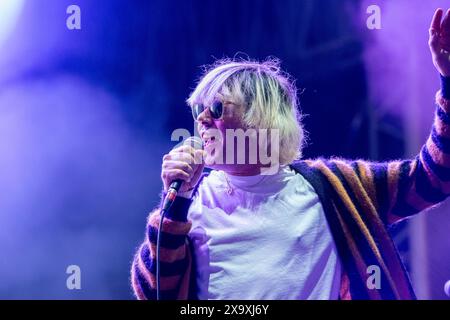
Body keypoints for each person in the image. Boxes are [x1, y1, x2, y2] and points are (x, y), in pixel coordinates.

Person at [131, 8, 450, 300]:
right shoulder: (193, 202)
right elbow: (151, 291)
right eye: (199, 109)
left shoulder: (336, 188)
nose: (202, 119)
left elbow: (433, 178)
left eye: (216, 108)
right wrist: (175, 202)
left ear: (259, 117)